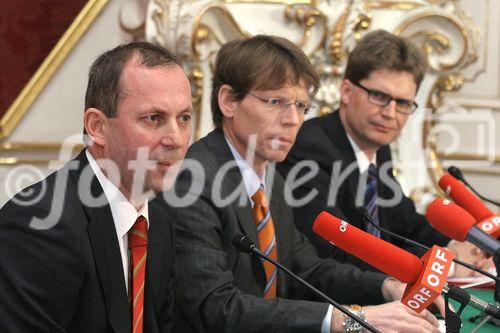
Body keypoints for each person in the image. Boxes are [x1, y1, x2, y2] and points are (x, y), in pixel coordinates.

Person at [165, 35, 442, 333]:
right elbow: (217, 308)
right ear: (229, 101)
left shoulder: (271, 178)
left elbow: (307, 268)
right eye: (276, 102)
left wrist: (387, 286)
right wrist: (352, 320)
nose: (293, 119)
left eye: (301, 106)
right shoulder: (193, 179)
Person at [0, 42, 192, 332]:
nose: (176, 139)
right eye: (154, 118)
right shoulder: (38, 224)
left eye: (184, 118)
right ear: (98, 126)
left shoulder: (159, 221)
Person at [277, 30, 487, 276]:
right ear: (346, 91)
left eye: (403, 103)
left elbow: (406, 223)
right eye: (378, 96)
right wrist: (447, 266)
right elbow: (335, 250)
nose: (390, 113)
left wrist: (460, 248)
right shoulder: (308, 149)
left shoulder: (377, 145)